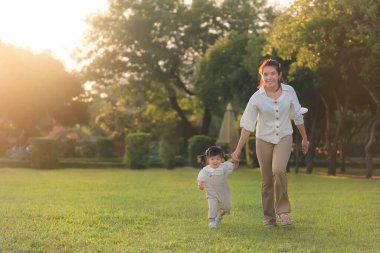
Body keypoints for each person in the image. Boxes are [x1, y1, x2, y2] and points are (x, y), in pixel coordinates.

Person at [231, 59, 309, 227]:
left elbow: (297, 116)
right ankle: (269, 219)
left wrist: (304, 138)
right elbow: (247, 125)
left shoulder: (289, 91)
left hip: (284, 137)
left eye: (272, 73)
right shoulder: (257, 97)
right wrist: (238, 150)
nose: (269, 77)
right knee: (267, 180)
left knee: (278, 170)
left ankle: (283, 211)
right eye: (265, 74)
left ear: (279, 75)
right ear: (262, 76)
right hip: (263, 139)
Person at [197, 146, 239, 228]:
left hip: (223, 193)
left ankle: (219, 215)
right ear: (207, 159)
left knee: (227, 208)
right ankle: (212, 222)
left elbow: (234, 167)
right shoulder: (205, 170)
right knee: (212, 206)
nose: (215, 161)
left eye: (217, 159)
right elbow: (200, 180)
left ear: (222, 159)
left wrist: (236, 162)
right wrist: (200, 185)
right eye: (212, 159)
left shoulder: (223, 167)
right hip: (211, 193)